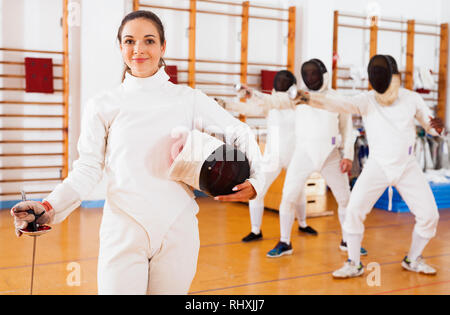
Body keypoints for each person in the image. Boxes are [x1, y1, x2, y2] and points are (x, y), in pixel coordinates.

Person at [10, 10, 264, 295]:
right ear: (120, 47)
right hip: (123, 228)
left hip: (178, 227)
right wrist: (48, 207)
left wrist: (256, 181)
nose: (139, 49)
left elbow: (241, 133)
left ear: (163, 47)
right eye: (130, 41)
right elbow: (88, 169)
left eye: (149, 41)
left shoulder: (189, 99)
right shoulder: (103, 105)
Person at [294, 55, 444, 277]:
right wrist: (307, 98)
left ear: (394, 76)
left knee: (430, 215)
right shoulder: (367, 100)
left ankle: (413, 258)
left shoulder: (411, 99)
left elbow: (430, 125)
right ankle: (354, 263)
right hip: (378, 166)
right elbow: (338, 103)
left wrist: (437, 128)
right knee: (353, 211)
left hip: (407, 167)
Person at [264, 59, 362, 258]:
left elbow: (347, 129)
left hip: (331, 154)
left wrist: (349, 156)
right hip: (303, 153)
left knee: (345, 199)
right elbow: (274, 102)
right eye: (307, 74)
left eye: (314, 74)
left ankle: (348, 240)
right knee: (288, 197)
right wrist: (251, 95)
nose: (310, 78)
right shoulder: (298, 97)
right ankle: (285, 242)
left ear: (324, 75)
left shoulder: (337, 98)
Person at [231, 71, 319, 244]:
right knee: (256, 191)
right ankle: (255, 230)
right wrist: (227, 104)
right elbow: (250, 107)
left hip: (295, 155)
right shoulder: (270, 103)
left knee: (298, 192)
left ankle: (302, 224)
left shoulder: (299, 103)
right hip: (272, 156)